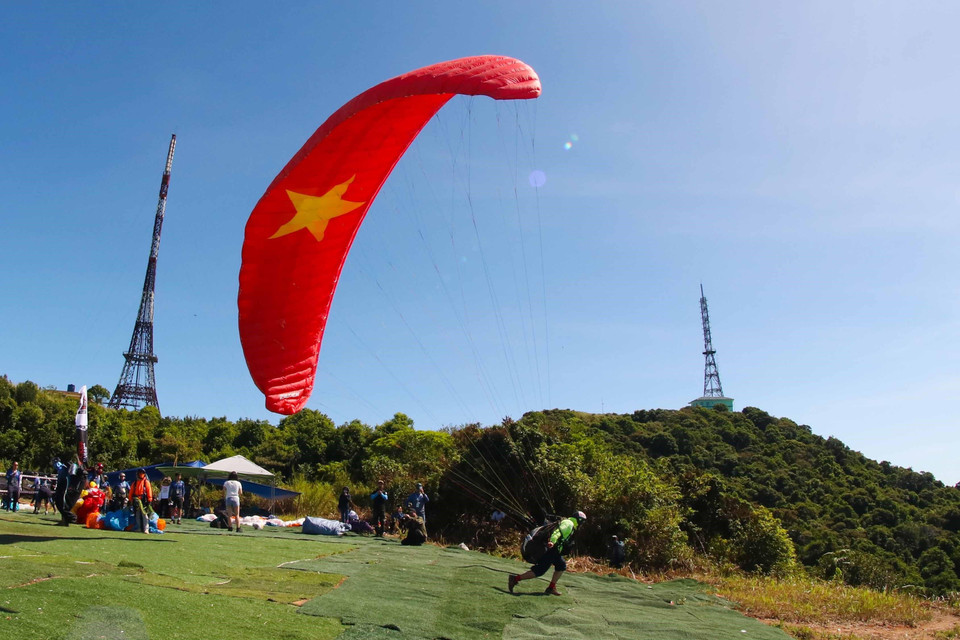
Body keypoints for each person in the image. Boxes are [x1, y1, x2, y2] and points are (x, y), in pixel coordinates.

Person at [508, 511, 586, 596]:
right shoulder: (569, 524)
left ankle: (551, 588)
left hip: (556, 551)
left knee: (561, 565)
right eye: (583, 521)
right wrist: (552, 542)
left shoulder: (571, 524)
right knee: (539, 571)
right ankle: (515, 579)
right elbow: (557, 532)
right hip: (552, 549)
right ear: (579, 520)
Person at [130, 468, 153, 534]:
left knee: (144, 514)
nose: (140, 475)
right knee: (137, 514)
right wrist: (131, 500)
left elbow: (149, 491)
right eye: (139, 473)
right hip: (136, 500)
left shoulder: (146, 482)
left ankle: (146, 529)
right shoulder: (134, 483)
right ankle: (139, 528)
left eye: (142, 473)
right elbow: (131, 492)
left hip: (144, 500)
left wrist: (149, 499)